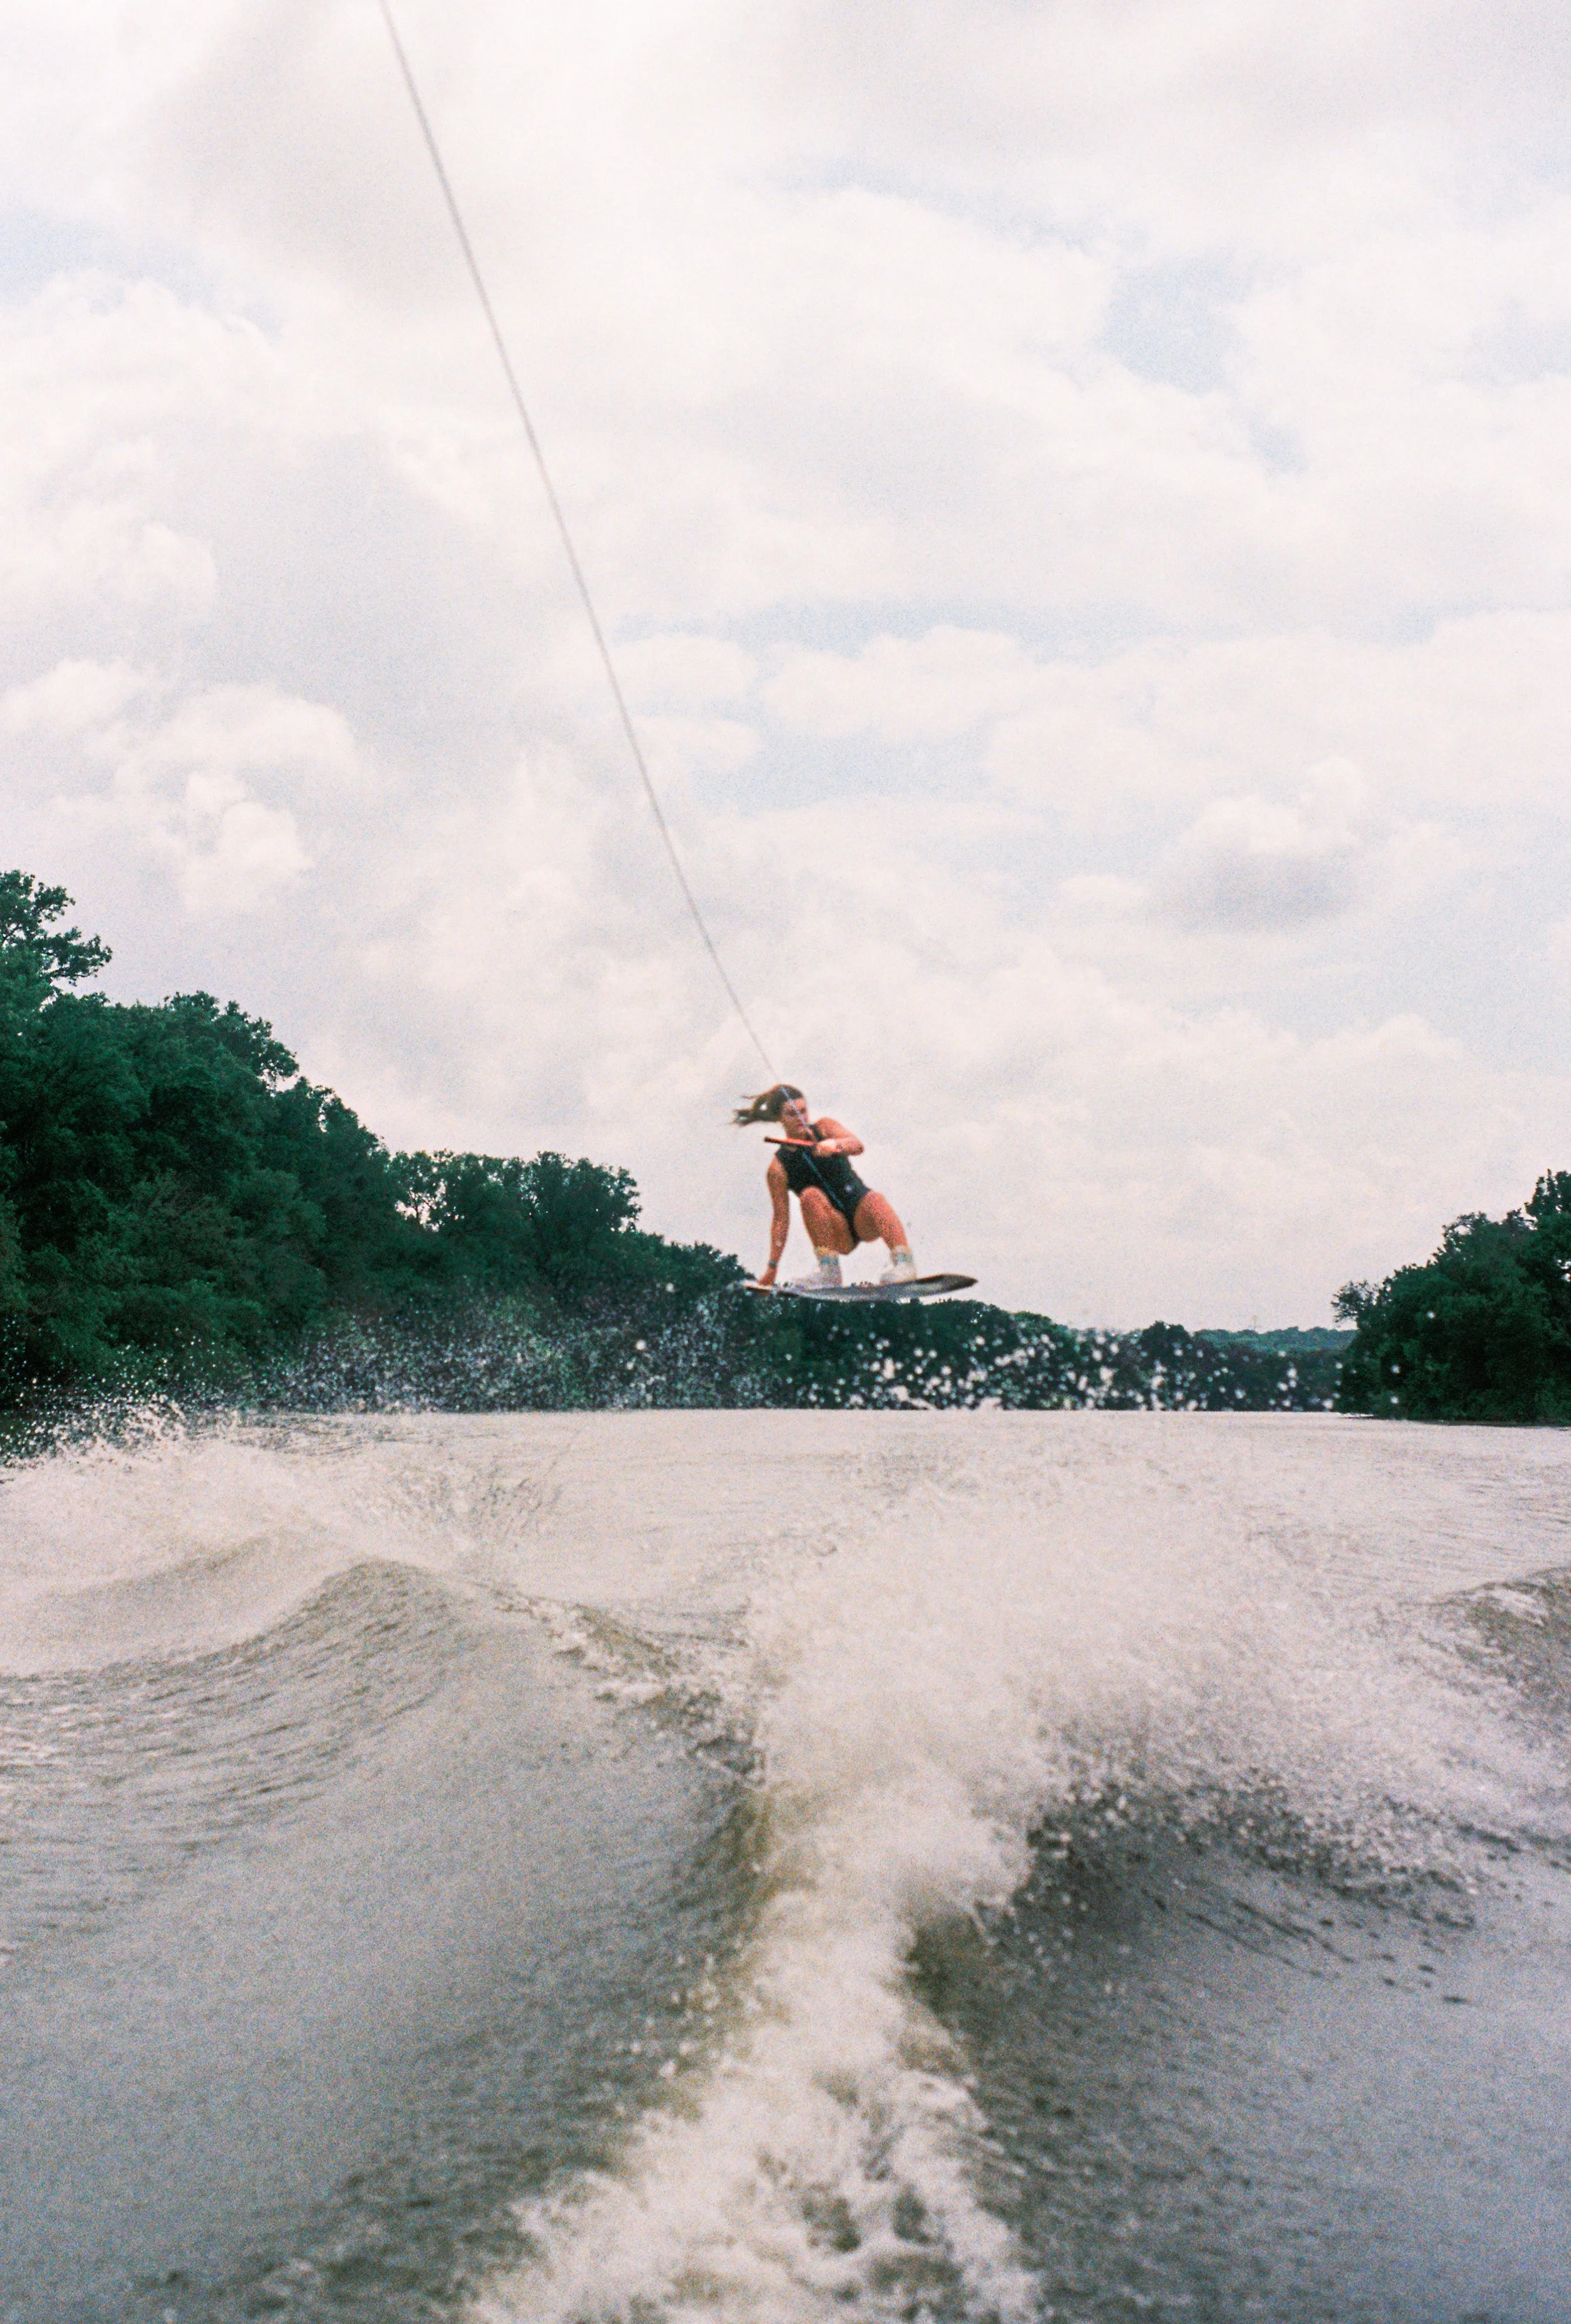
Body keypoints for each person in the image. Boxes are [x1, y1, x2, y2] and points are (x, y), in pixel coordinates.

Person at [732, 1083, 917, 1290]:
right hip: (836, 1232)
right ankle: (829, 1271)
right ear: (780, 1119)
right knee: (810, 1196)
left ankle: (904, 1265)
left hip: (862, 1219)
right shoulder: (778, 1169)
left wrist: (836, 1145)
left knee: (876, 1199)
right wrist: (772, 1267)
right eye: (792, 1114)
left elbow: (856, 1145)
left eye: (803, 1111)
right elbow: (780, 1221)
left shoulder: (825, 1128)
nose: (801, 1118)